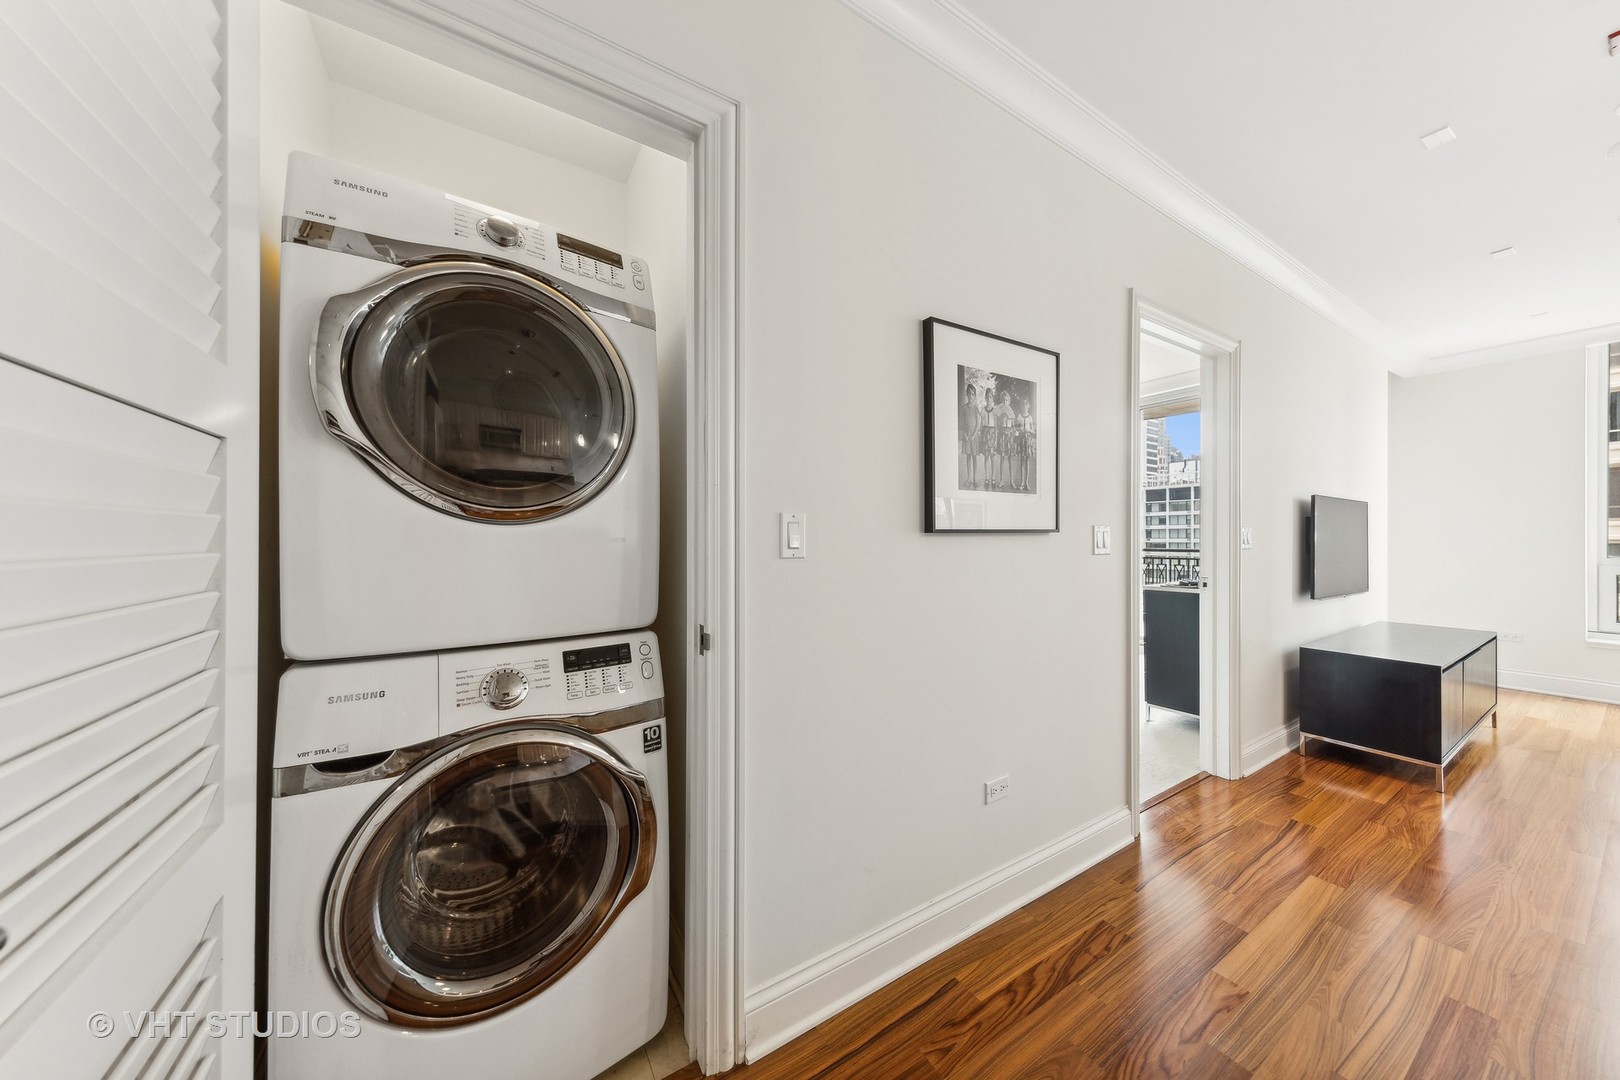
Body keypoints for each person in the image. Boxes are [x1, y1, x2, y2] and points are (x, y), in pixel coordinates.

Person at [993, 389, 1015, 489]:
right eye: (1003, 399)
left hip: (1009, 436)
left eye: (1006, 400)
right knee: (1002, 458)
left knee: (1010, 459)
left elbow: (1013, 425)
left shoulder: (1010, 410)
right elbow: (997, 425)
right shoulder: (998, 409)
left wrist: (1013, 434)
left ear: (1009, 400)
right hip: (1002, 436)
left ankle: (1011, 481)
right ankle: (1002, 480)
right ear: (1001, 399)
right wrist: (997, 436)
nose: (1005, 401)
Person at [958, 383, 979, 488]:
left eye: (972, 394)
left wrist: (974, 435)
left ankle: (975, 478)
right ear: (966, 394)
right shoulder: (964, 408)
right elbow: (961, 423)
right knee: (968, 457)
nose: (971, 396)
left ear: (974, 395)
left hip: (974, 437)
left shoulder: (976, 408)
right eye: (969, 394)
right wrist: (965, 435)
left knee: (974, 457)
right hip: (967, 436)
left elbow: (978, 423)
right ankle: (969, 478)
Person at [978, 381, 997, 488]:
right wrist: (981, 436)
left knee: (993, 457)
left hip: (993, 434)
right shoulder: (983, 411)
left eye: (991, 397)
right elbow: (981, 425)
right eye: (987, 397)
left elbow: (997, 427)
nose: (989, 399)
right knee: (986, 457)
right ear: (985, 398)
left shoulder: (995, 411)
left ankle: (993, 477)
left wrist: (996, 439)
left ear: (992, 398)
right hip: (985, 435)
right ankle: (986, 477)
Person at [1018, 398, 1036, 491]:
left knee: (1027, 462)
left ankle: (1027, 482)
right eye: (1023, 404)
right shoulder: (1019, 417)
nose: (1024, 406)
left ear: (1028, 406)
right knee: (1022, 461)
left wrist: (1028, 430)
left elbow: (1034, 431)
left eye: (1026, 404)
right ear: (1021, 406)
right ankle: (1022, 482)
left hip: (1028, 441)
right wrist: (1020, 430)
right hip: (1022, 440)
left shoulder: (1030, 417)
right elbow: (1016, 429)